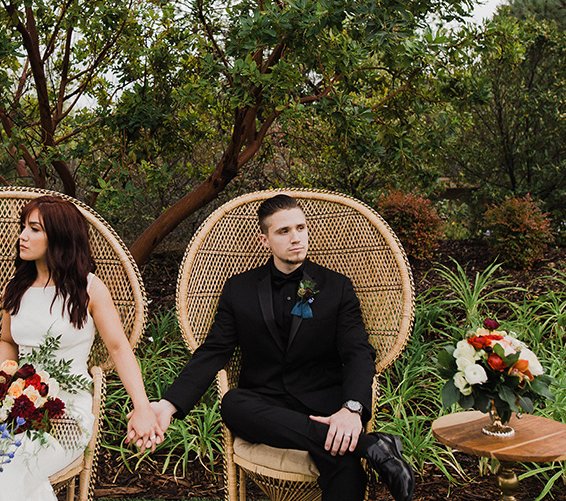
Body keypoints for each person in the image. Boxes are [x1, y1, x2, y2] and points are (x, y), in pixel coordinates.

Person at [128, 194, 414, 501]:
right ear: (263, 239)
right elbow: (214, 352)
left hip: (324, 406)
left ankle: (353, 445)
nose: (296, 238)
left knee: (345, 467)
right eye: (284, 231)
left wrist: (352, 409)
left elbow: (358, 352)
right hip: (265, 407)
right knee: (232, 403)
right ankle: (370, 446)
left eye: (301, 228)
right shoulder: (240, 289)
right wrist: (168, 405)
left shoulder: (335, 287)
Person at [0, 196, 163, 501]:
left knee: (6, 467)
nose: (22, 236)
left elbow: (119, 349)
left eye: (34, 229)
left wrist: (142, 408)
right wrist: (1, 387)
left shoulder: (89, 288)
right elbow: (8, 342)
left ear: (60, 237)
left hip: (66, 413)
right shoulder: (15, 287)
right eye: (23, 227)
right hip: (16, 405)